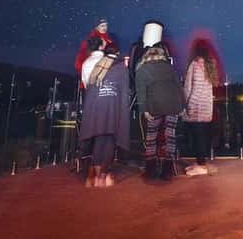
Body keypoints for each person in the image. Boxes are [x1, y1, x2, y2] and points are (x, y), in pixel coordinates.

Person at [135, 21, 184, 182]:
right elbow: (178, 87)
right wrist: (182, 106)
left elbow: (141, 92)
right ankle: (167, 171)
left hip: (154, 105)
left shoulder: (142, 69)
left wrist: (144, 110)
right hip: (173, 105)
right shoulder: (169, 67)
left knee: (151, 136)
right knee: (170, 136)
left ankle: (150, 170)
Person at [79, 37, 132, 187]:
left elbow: (87, 85)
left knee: (99, 138)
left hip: (94, 105)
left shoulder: (93, 64)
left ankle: (94, 175)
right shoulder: (118, 66)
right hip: (112, 105)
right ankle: (103, 174)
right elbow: (123, 90)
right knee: (109, 138)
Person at [183, 39, 218, 176]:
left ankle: (201, 166)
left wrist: (189, 105)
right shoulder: (210, 65)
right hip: (206, 107)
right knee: (202, 136)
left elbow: (192, 88)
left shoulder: (195, 64)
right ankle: (200, 163)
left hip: (196, 107)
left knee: (197, 138)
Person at [75, 18, 116, 86]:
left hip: (107, 73)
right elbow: (80, 59)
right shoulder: (90, 40)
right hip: (91, 73)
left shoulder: (109, 41)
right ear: (96, 27)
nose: (104, 28)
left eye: (106, 25)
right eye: (102, 26)